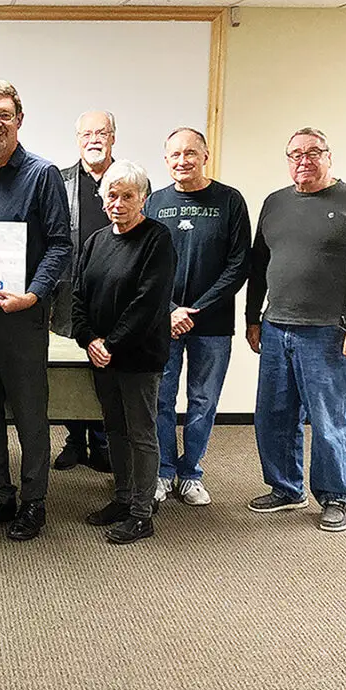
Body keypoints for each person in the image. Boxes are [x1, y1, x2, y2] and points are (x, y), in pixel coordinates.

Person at [245, 127, 346, 533]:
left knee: (328, 419)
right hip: (276, 328)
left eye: (312, 152)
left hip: (328, 332)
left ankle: (335, 496)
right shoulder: (275, 203)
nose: (303, 160)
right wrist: (253, 318)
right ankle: (286, 489)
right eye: (294, 154)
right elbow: (259, 267)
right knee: (273, 415)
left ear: (329, 156)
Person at [0, 80, 71, 542]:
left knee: (29, 414)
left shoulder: (43, 175)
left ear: (19, 120)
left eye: (5, 114)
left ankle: (34, 502)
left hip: (22, 316)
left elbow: (61, 245)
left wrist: (34, 294)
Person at [71, 160, 176, 545]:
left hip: (138, 357)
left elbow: (148, 304)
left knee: (141, 433)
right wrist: (89, 340)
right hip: (101, 356)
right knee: (114, 430)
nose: (118, 203)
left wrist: (110, 344)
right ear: (102, 201)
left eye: (127, 196)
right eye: (111, 195)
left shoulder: (157, 239)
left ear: (143, 199)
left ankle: (142, 513)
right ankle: (122, 498)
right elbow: (79, 298)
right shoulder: (96, 242)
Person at [146, 127, 251, 507]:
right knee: (160, 399)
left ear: (205, 155)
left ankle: (190, 473)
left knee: (203, 400)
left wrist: (198, 308)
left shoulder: (229, 201)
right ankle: (162, 471)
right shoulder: (153, 203)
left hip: (214, 325)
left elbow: (239, 264)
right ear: (166, 160)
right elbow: (144, 265)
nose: (182, 161)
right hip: (163, 322)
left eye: (190, 153)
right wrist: (171, 310)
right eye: (174, 155)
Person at [50, 110, 117, 473]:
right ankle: (75, 440)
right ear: (78, 140)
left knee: (106, 366)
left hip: (114, 295)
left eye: (101, 132)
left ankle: (103, 442)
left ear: (113, 138)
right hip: (68, 292)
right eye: (87, 133)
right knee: (71, 366)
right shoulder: (59, 181)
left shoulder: (131, 180)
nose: (94, 139)